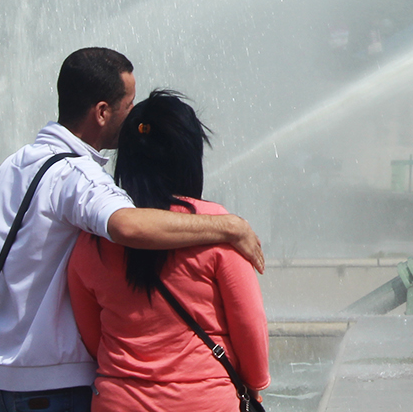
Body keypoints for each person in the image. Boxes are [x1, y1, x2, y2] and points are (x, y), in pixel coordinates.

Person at [0, 47, 265, 412]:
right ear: (101, 112)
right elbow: (128, 225)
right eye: (128, 105)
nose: (134, 116)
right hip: (56, 384)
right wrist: (228, 226)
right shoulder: (78, 176)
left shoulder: (10, 168)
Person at [68, 90, 269, 412]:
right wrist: (256, 382)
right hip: (203, 400)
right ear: (189, 156)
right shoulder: (220, 229)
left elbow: (92, 336)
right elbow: (249, 321)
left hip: (119, 400)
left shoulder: (92, 239)